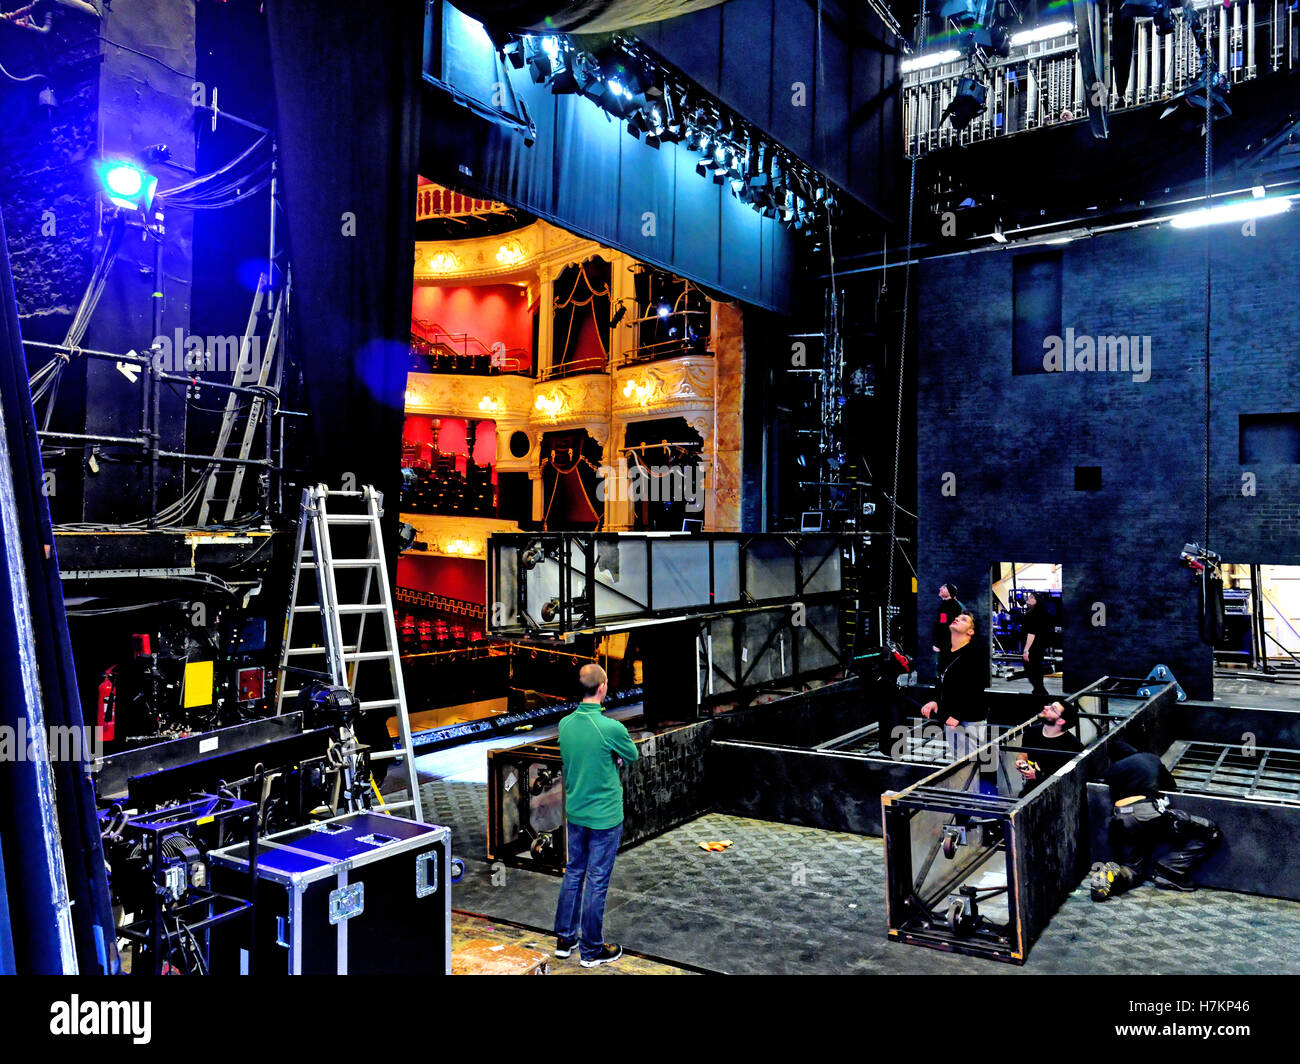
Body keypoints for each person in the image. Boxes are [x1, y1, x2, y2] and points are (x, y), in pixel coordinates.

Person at [553, 663, 640, 967]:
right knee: (597, 879)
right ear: (602, 688)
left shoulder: (565, 725)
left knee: (574, 871)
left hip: (576, 814)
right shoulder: (611, 728)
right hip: (604, 818)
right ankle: (591, 950)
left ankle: (565, 939)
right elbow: (632, 755)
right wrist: (613, 756)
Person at [1090, 743, 1222, 901]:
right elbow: (1171, 786)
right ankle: (1171, 868)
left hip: (1121, 818)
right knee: (1210, 831)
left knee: (1133, 871)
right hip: (1148, 812)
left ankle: (1113, 875)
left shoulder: (1113, 770)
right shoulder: (1150, 758)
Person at [920, 612, 988, 762]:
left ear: (970, 631)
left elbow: (975, 689)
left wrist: (957, 715)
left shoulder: (975, 654)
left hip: (969, 717)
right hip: (951, 716)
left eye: (963, 620)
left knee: (969, 765)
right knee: (957, 763)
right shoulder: (946, 652)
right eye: (957, 617)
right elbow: (941, 682)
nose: (957, 618)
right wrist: (935, 701)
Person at [1015, 700, 1083, 795]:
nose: (1046, 707)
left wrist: (1037, 775)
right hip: (1031, 791)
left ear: (1060, 721)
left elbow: (1070, 782)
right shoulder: (1031, 732)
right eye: (1050, 705)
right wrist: (1021, 762)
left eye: (1052, 709)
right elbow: (1023, 754)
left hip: (1057, 796)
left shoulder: (1073, 746)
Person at [1020, 591, 1053, 696]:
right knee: (1035, 671)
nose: (1028, 599)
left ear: (1037, 601)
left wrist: (1026, 649)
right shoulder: (1039, 612)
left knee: (1033, 670)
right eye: (1028, 597)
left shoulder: (1035, 613)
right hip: (1038, 646)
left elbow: (1032, 632)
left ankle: (1040, 692)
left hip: (1033, 646)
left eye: (1032, 597)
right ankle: (1038, 691)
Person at [932, 583, 964, 670]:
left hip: (947, 644)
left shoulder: (951, 606)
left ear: (949, 592)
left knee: (944, 666)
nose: (940, 588)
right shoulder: (946, 604)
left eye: (944, 588)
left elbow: (944, 626)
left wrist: (939, 644)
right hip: (947, 643)